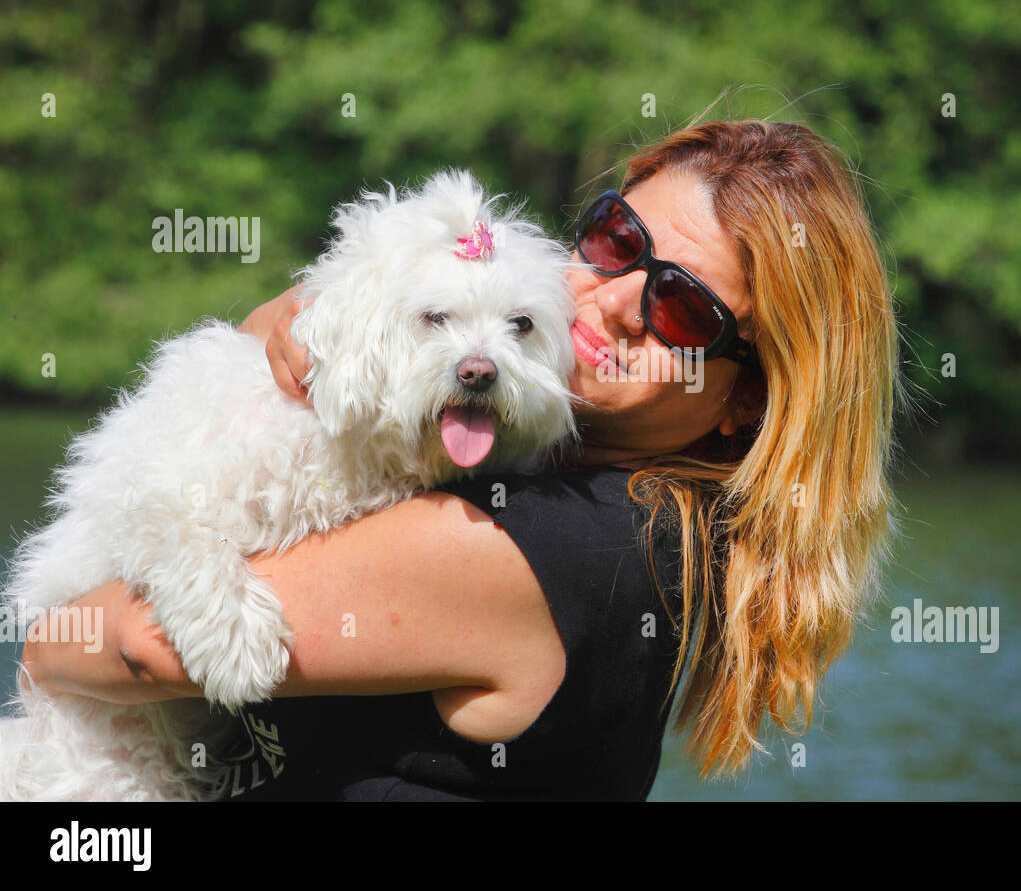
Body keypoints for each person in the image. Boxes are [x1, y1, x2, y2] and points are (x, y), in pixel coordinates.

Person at [20, 119, 898, 800]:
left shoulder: (561, 547)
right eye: (619, 241)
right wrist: (313, 321)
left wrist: (41, 649)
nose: (621, 300)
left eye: (686, 310)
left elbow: (135, 644)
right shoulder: (564, 483)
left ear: (750, 395)